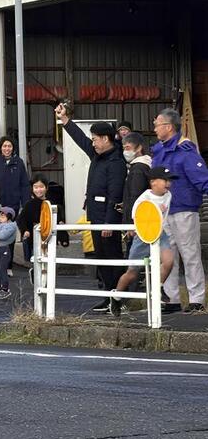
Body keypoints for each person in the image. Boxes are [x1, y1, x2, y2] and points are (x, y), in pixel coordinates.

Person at [57, 105, 127, 312]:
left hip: (107, 220)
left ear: (106, 139)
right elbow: (80, 140)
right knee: (101, 259)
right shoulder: (97, 154)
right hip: (95, 217)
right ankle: (108, 295)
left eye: (96, 138)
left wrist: (109, 222)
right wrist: (65, 120)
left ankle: (118, 297)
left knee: (112, 258)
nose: (93, 142)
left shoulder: (116, 162)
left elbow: (115, 195)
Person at [150, 108, 208, 314]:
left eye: (157, 124)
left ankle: (197, 299)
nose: (155, 128)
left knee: (190, 253)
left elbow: (202, 179)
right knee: (168, 256)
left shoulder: (185, 151)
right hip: (163, 210)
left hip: (183, 209)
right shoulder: (158, 150)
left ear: (168, 126)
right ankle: (172, 298)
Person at [112, 166, 176, 316]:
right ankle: (116, 296)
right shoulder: (144, 198)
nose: (168, 183)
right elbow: (136, 216)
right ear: (153, 182)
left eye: (170, 181)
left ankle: (157, 288)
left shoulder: (168, 196)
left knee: (168, 261)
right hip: (143, 236)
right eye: (165, 180)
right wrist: (133, 229)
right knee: (132, 273)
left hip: (159, 233)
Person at [0, 136, 30, 213]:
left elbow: (24, 185)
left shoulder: (19, 162)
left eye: (9, 146)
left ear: (13, 148)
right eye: (4, 146)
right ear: (0, 148)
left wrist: (25, 204)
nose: (7, 149)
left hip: (15, 204)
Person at [120, 132, 151, 230]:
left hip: (136, 222)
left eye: (128, 148)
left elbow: (135, 196)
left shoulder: (138, 169)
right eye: (124, 148)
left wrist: (131, 223)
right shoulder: (144, 166)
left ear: (139, 148)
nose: (125, 152)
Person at [18, 173, 49, 265]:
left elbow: (58, 219)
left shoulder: (50, 203)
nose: (38, 190)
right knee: (36, 263)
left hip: (48, 238)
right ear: (32, 188)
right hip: (33, 238)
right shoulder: (29, 204)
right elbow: (21, 219)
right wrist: (25, 230)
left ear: (46, 187)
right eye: (35, 187)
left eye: (41, 187)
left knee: (47, 264)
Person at [0, 207, 17, 299]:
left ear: (9, 217)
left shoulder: (11, 226)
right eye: (0, 215)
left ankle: (5, 289)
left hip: (5, 249)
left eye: (3, 216)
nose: (0, 217)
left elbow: (2, 235)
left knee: (2, 270)